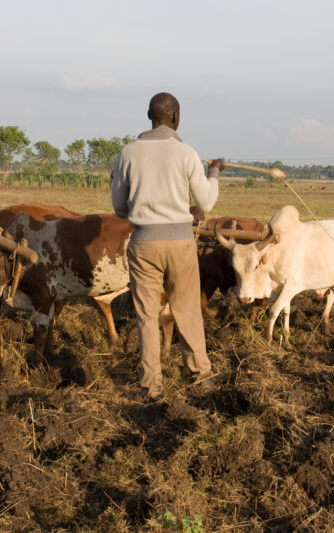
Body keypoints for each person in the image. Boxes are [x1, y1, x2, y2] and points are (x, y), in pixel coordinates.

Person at [111, 92, 224, 403]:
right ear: (176, 118)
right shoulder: (187, 154)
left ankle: (150, 386)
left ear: (150, 117)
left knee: (146, 314)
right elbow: (205, 202)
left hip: (143, 242)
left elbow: (120, 207)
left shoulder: (128, 154)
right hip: (180, 242)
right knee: (187, 309)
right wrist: (213, 172)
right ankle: (200, 375)